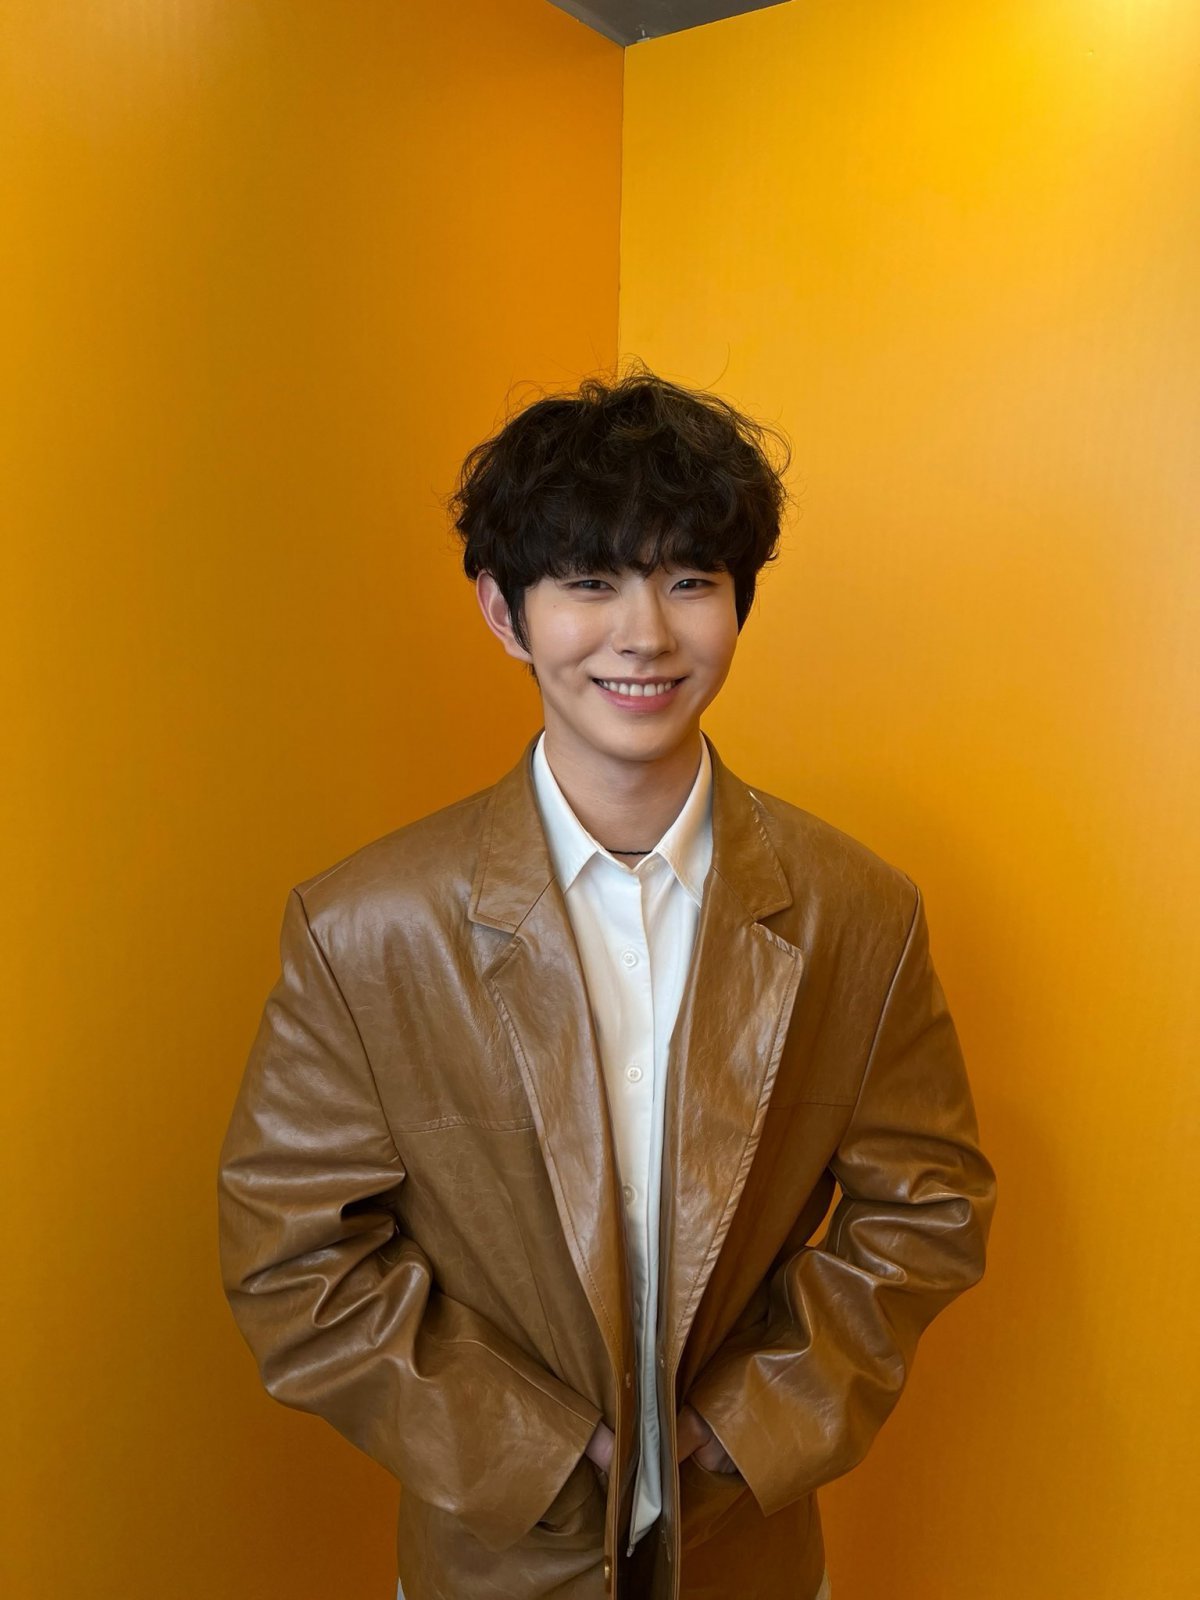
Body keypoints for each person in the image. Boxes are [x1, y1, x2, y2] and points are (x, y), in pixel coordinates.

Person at [217, 363, 997, 1600]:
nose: (646, 633)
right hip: (489, 1566)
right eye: (590, 581)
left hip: (751, 1556)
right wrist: (537, 1447)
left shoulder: (859, 911)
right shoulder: (364, 928)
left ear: (738, 603)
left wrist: (742, 1425)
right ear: (503, 611)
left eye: (689, 580)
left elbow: (929, 1206)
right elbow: (291, 1255)